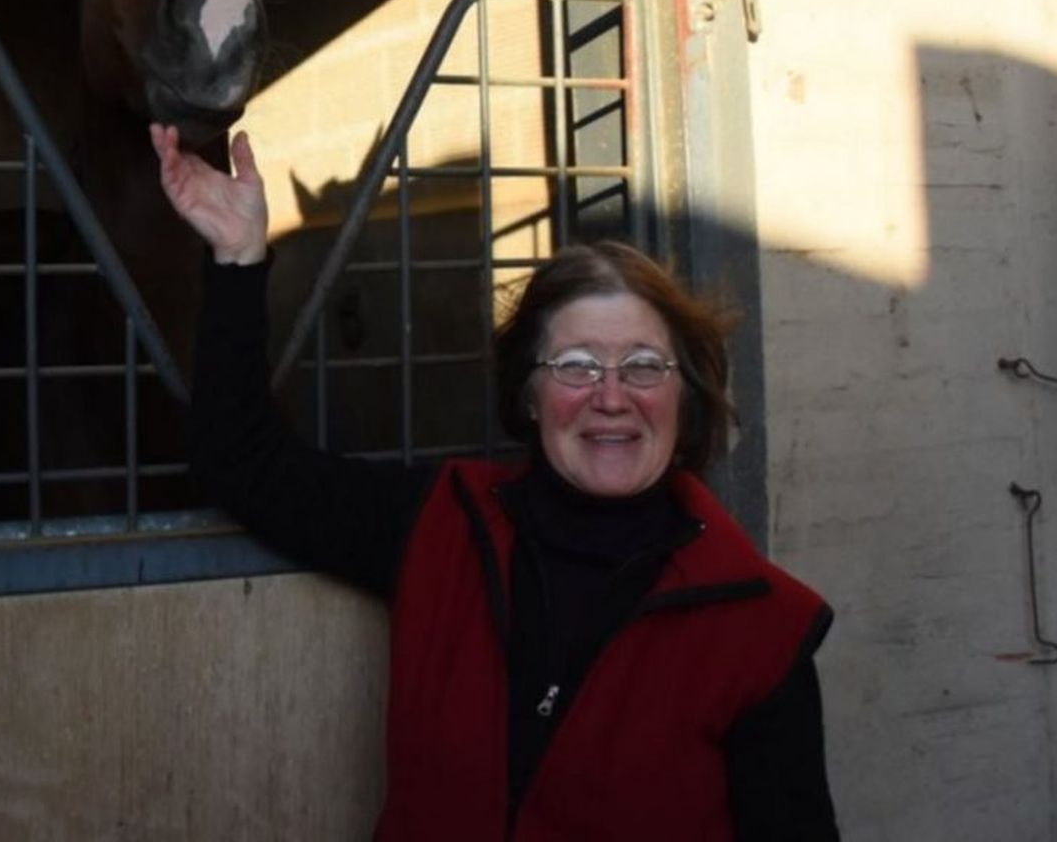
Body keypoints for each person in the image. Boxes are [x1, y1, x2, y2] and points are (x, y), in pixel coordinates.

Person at [151, 123, 839, 841]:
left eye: (643, 366)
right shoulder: (442, 525)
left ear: (685, 395)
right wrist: (238, 257)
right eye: (575, 365)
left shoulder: (762, 629)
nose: (611, 396)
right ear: (530, 395)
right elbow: (242, 464)